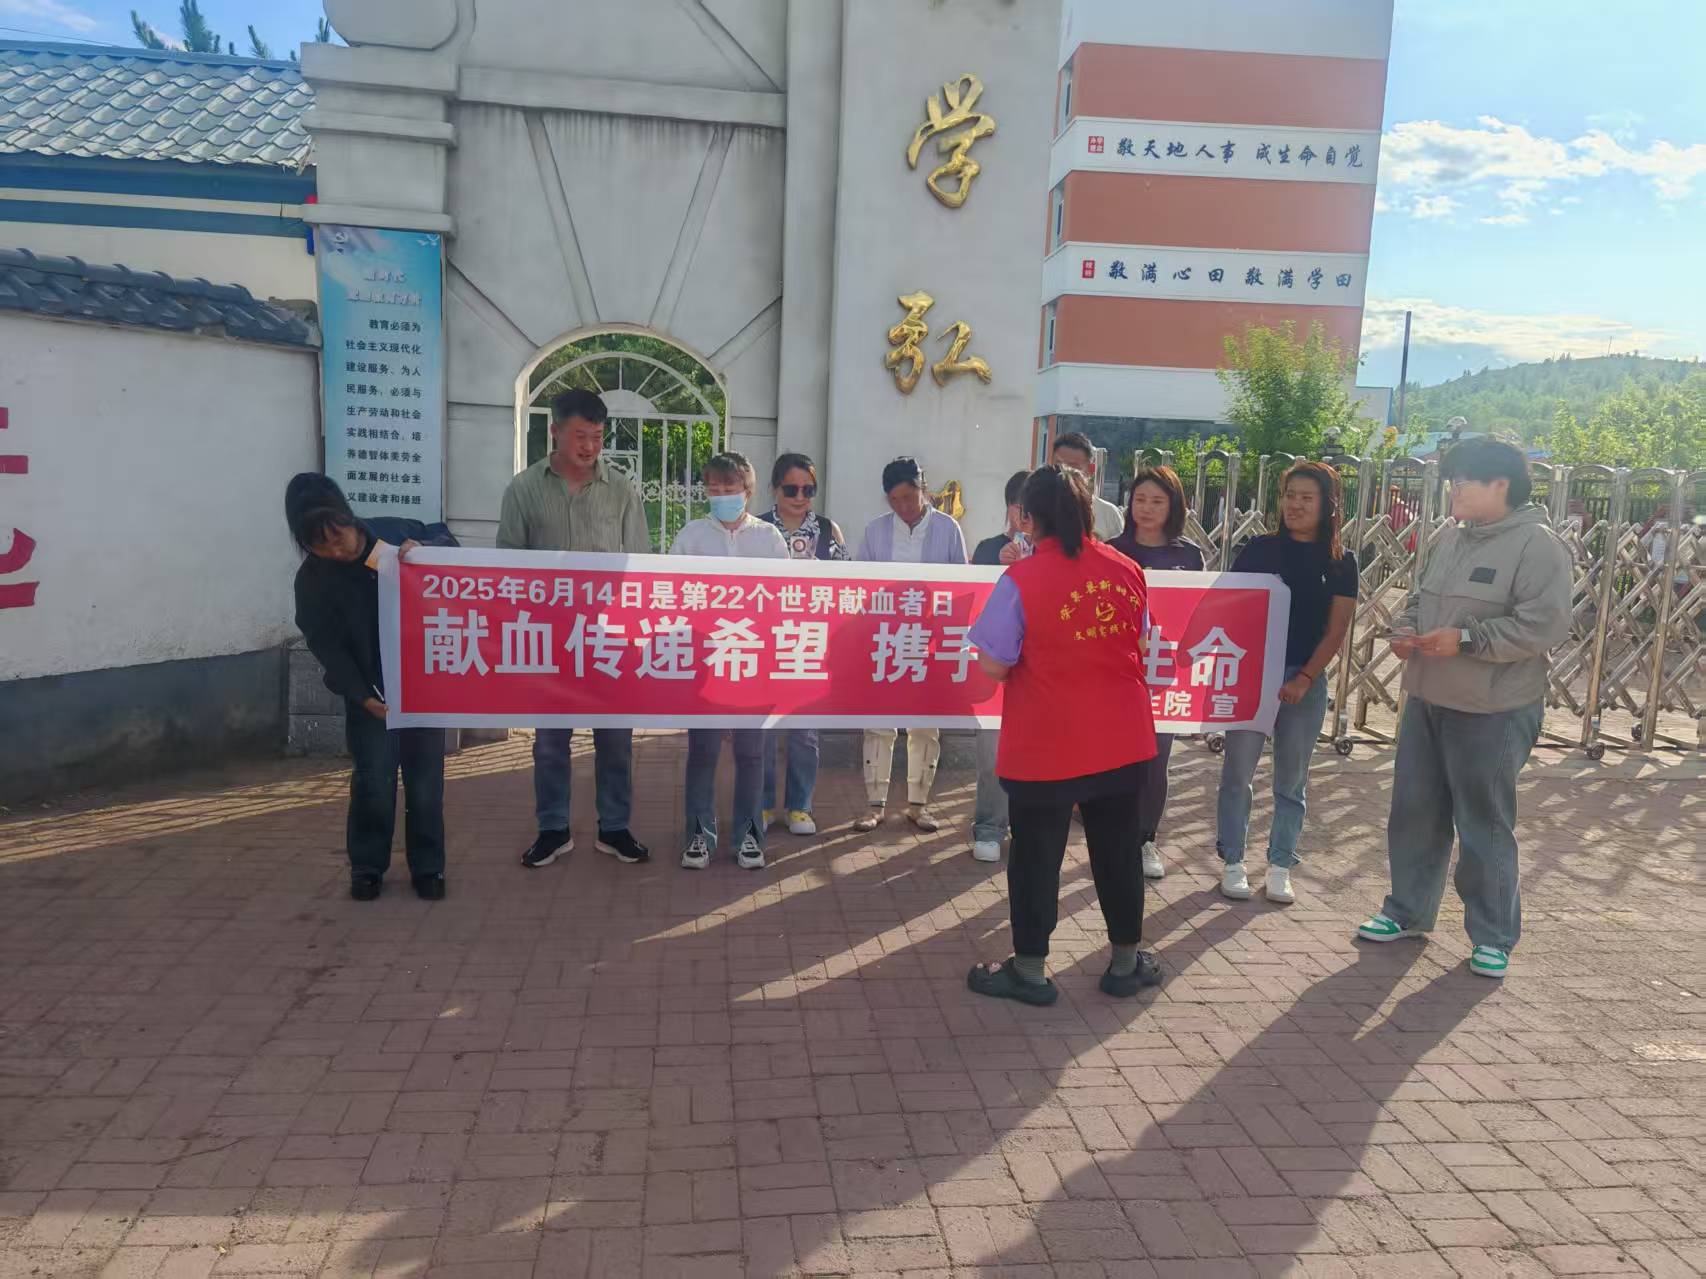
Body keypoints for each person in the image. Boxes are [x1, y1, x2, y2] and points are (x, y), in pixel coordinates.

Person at [1358, 439, 1572, 979]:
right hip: (1429, 697)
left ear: (1502, 485)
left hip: (1493, 708)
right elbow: (1419, 598)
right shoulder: (1450, 538)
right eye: (1452, 481)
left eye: (1464, 481)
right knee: (1414, 812)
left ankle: (1494, 936)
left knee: (1484, 823)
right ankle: (1406, 911)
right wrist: (1407, 629)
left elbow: (1544, 625)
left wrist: (1470, 639)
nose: (1454, 490)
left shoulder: (1537, 545)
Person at [964, 465, 1163, 1005]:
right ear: (1088, 510)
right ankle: (1125, 963)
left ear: (1029, 518)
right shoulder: (1127, 569)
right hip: (1121, 737)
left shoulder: (1021, 580)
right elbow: (1141, 639)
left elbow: (996, 665)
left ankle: (1030, 972)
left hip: (1047, 741)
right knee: (1118, 852)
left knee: (1036, 855)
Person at [497, 388, 652, 870]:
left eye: (597, 436)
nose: (589, 446)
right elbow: (508, 563)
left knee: (615, 739)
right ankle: (553, 828)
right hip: (549, 637)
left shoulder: (621, 489)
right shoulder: (523, 489)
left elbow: (640, 561)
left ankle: (615, 827)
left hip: (608, 635)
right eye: (580, 435)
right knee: (549, 741)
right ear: (555, 432)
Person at [287, 475, 455, 901]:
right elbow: (326, 645)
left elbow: (447, 542)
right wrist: (363, 696)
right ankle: (367, 868)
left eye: (338, 537)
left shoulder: (396, 534)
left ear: (348, 517)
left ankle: (428, 867)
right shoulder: (314, 580)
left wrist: (426, 550)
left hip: (422, 690)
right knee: (373, 782)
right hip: (371, 696)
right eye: (320, 545)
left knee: (425, 783)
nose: (335, 550)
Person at [1215, 461, 1357, 905]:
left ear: (1328, 505)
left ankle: (1280, 864)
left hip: (1304, 680)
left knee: (1291, 780)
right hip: (1252, 677)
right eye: (1289, 495)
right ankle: (1233, 861)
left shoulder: (1342, 561)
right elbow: (1227, 606)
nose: (1295, 504)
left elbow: (1336, 630)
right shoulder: (1259, 549)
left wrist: (1306, 677)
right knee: (1237, 773)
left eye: (1306, 497)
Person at [670, 453, 789, 870]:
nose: (721, 496)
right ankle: (698, 835)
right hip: (706, 661)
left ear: (747, 491)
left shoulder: (769, 538)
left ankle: (749, 835)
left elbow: (784, 598)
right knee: (703, 752)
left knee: (751, 753)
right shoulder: (691, 536)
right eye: (714, 489)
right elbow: (671, 592)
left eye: (729, 488)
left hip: (752, 660)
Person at [854, 457, 968, 833]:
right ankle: (874, 805)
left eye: (909, 496)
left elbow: (960, 587)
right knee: (878, 724)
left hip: (929, 642)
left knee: (925, 726)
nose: (903, 506)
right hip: (885, 640)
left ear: (923, 488)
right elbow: (861, 587)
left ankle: (918, 805)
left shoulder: (948, 528)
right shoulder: (875, 531)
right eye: (895, 499)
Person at [1109, 465, 1205, 880]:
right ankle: (1113, 838)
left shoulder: (1189, 555)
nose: (1146, 509)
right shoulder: (1112, 550)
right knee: (1114, 759)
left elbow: (1198, 614)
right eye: (1140, 500)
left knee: (1156, 758)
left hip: (1163, 672)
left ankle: (1146, 838)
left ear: (1174, 507)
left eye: (1157, 501)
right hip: (1117, 671)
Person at [757, 452, 847, 837]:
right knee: (761, 729)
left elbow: (845, 586)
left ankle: (800, 806)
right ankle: (761, 804)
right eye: (790, 489)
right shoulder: (757, 530)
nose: (799, 497)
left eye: (808, 490)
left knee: (804, 731)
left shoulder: (828, 531)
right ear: (774, 489)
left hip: (810, 642)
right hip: (763, 643)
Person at [967, 469, 1033, 863]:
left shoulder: (1056, 555)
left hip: (1037, 674)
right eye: (1020, 507)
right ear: (1010, 508)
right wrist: (1002, 566)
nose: (1025, 517)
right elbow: (974, 602)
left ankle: (1025, 827)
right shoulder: (989, 548)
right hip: (995, 670)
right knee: (991, 751)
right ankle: (990, 826)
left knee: (1033, 754)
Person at [1051, 431, 1124, 542]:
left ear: (1091, 469)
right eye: (1059, 466)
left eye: (1073, 468)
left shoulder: (1109, 514)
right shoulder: (1037, 509)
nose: (1064, 473)